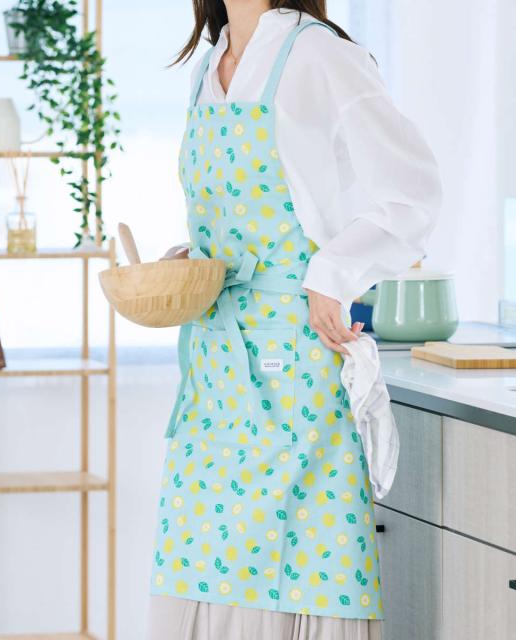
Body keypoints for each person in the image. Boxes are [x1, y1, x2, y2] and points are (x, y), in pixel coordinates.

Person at [147, 2, 442, 638]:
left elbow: (411, 193)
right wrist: (191, 266)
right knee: (198, 565)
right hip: (214, 370)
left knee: (302, 566)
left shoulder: (320, 55)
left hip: (295, 369)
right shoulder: (208, 68)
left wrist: (332, 275)